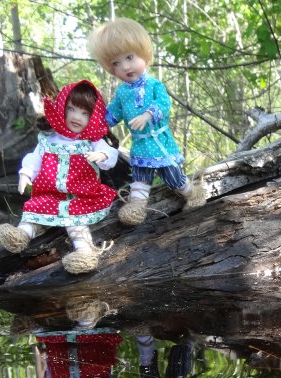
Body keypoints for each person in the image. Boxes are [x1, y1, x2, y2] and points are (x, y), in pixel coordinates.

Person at [87, 17, 205, 227]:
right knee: (140, 177)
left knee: (172, 177)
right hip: (140, 144)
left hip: (159, 141)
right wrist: (97, 125)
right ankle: (136, 207)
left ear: (143, 53)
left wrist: (148, 115)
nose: (125, 66)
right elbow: (113, 113)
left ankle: (193, 193)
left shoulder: (153, 84)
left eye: (129, 57)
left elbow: (163, 103)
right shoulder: (122, 92)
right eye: (116, 63)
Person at [0, 80, 118, 274]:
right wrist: (26, 173)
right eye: (71, 109)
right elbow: (34, 159)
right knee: (33, 211)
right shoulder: (48, 139)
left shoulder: (93, 141)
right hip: (50, 195)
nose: (77, 117)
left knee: (75, 222)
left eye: (84, 113)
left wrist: (101, 155)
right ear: (62, 108)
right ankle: (21, 235)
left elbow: (111, 155)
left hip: (81, 197)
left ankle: (85, 253)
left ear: (93, 116)